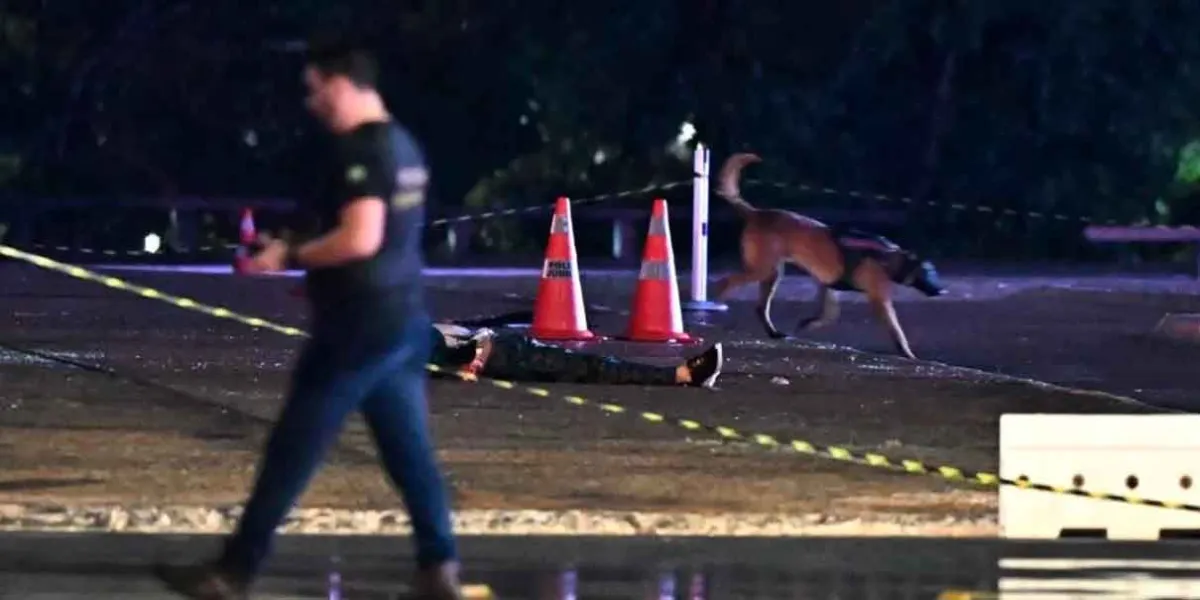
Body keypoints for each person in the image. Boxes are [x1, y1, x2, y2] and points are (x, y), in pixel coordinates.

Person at [154, 40, 462, 600]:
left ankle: (233, 572)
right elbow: (386, 237)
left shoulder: (360, 151)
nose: (311, 101)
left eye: (315, 88)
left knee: (292, 450)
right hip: (401, 320)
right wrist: (305, 248)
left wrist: (287, 257)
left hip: (357, 328)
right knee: (409, 452)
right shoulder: (405, 144)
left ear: (342, 83)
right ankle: (438, 569)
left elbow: (361, 237)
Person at [429, 311, 724, 387]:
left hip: (492, 341)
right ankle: (682, 374)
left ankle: (681, 374)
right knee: (588, 367)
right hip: (497, 354)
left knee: (586, 363)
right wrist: (472, 363)